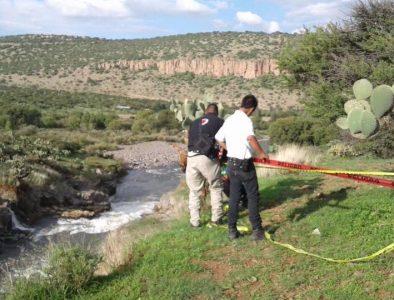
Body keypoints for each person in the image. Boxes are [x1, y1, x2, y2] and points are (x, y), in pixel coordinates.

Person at [215, 94, 269, 240]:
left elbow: (218, 138)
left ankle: (232, 231)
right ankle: (257, 230)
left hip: (231, 164)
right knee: (252, 197)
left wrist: (229, 149)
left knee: (234, 199)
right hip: (245, 165)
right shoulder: (246, 121)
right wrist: (262, 153)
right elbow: (251, 138)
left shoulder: (229, 119)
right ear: (251, 109)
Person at [186, 103, 224, 227]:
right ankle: (216, 218)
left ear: (205, 112)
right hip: (208, 158)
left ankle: (195, 221)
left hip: (191, 157)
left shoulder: (194, 122)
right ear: (216, 112)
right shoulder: (219, 121)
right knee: (215, 187)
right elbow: (224, 140)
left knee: (194, 191)